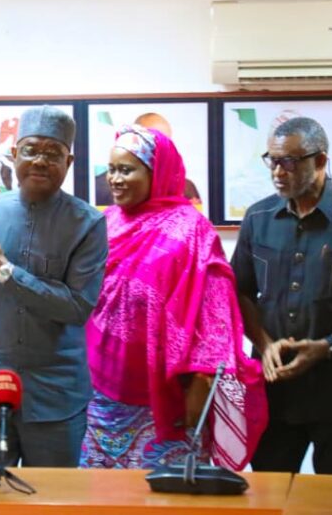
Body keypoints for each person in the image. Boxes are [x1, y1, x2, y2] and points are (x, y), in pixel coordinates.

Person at [81, 125, 267, 470]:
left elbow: (215, 314)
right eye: (111, 169)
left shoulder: (191, 229)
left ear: (157, 172)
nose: (115, 179)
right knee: (101, 496)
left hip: (169, 394)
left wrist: (203, 379)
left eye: (126, 169)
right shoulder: (103, 224)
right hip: (101, 389)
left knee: (165, 498)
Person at [0, 105, 107, 467]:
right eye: (31, 150)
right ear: (13, 155)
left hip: (56, 397)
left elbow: (76, 308)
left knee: (54, 503)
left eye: (52, 153)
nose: (40, 160)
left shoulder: (89, 224)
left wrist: (4, 271)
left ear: (69, 162)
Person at [232, 116, 332, 474]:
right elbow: (239, 290)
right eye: (271, 160)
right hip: (273, 386)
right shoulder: (257, 219)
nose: (277, 171)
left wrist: (327, 346)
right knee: (269, 493)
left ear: (320, 161)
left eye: (288, 161)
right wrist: (265, 342)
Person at [93, 112, 200, 206]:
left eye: (166, 142)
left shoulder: (187, 190)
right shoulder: (101, 190)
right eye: (112, 169)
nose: (116, 180)